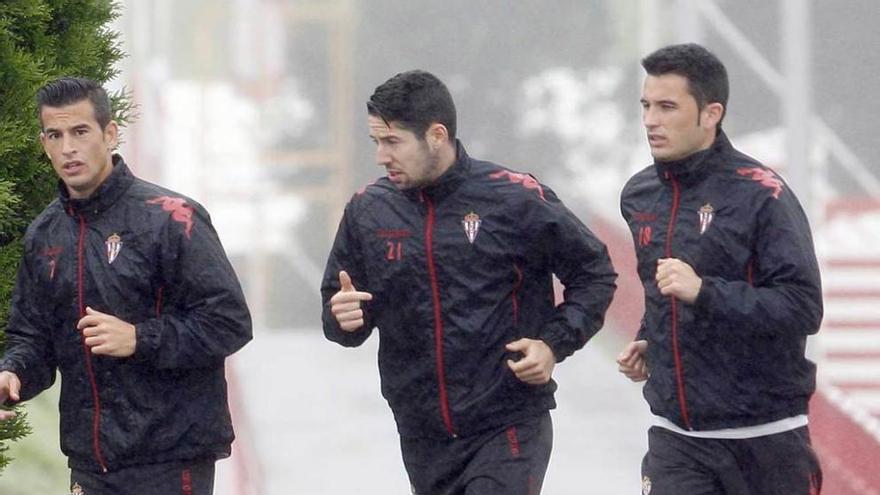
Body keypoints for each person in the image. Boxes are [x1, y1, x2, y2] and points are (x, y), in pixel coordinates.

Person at [321, 70, 616, 494]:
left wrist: (553, 344)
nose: (381, 157)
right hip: (422, 435)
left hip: (507, 424)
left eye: (393, 142)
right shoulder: (368, 210)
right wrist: (342, 318)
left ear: (436, 135)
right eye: (376, 143)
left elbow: (594, 273)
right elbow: (340, 308)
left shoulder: (514, 197)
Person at [0, 77, 252, 494]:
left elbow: (230, 322)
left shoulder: (173, 217)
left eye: (80, 132)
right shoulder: (44, 234)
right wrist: (13, 374)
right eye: (55, 135)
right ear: (43, 142)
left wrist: (140, 337)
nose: (68, 148)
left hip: (172, 461)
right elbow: (33, 337)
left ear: (110, 133)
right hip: (89, 464)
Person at [616, 43, 823, 494]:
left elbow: (803, 308)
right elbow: (663, 294)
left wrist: (706, 292)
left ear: (711, 114)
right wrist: (651, 340)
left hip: (766, 440)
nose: (651, 120)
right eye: (646, 105)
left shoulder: (763, 195)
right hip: (677, 443)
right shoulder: (638, 195)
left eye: (668, 106)